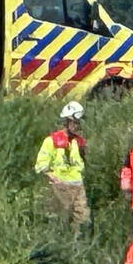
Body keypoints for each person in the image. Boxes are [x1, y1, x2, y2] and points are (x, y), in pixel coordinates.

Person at [34, 101, 90, 237]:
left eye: (78, 123)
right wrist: (53, 177)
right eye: (74, 122)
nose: (77, 126)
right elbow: (41, 164)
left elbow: (82, 162)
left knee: (82, 219)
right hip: (60, 187)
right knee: (60, 220)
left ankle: (77, 246)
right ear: (67, 122)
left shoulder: (79, 142)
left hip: (77, 185)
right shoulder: (51, 141)